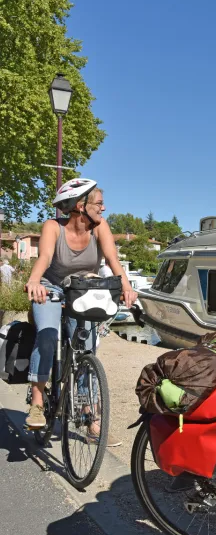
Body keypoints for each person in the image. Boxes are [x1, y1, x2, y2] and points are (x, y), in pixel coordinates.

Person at [23, 179, 136, 429]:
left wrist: (126, 287)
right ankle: (38, 401)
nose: (104, 209)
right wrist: (34, 282)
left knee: (85, 346)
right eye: (99, 203)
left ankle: (88, 410)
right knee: (48, 334)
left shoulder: (100, 227)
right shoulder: (53, 226)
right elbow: (45, 256)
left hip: (83, 288)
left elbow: (112, 259)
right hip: (50, 287)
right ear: (80, 206)